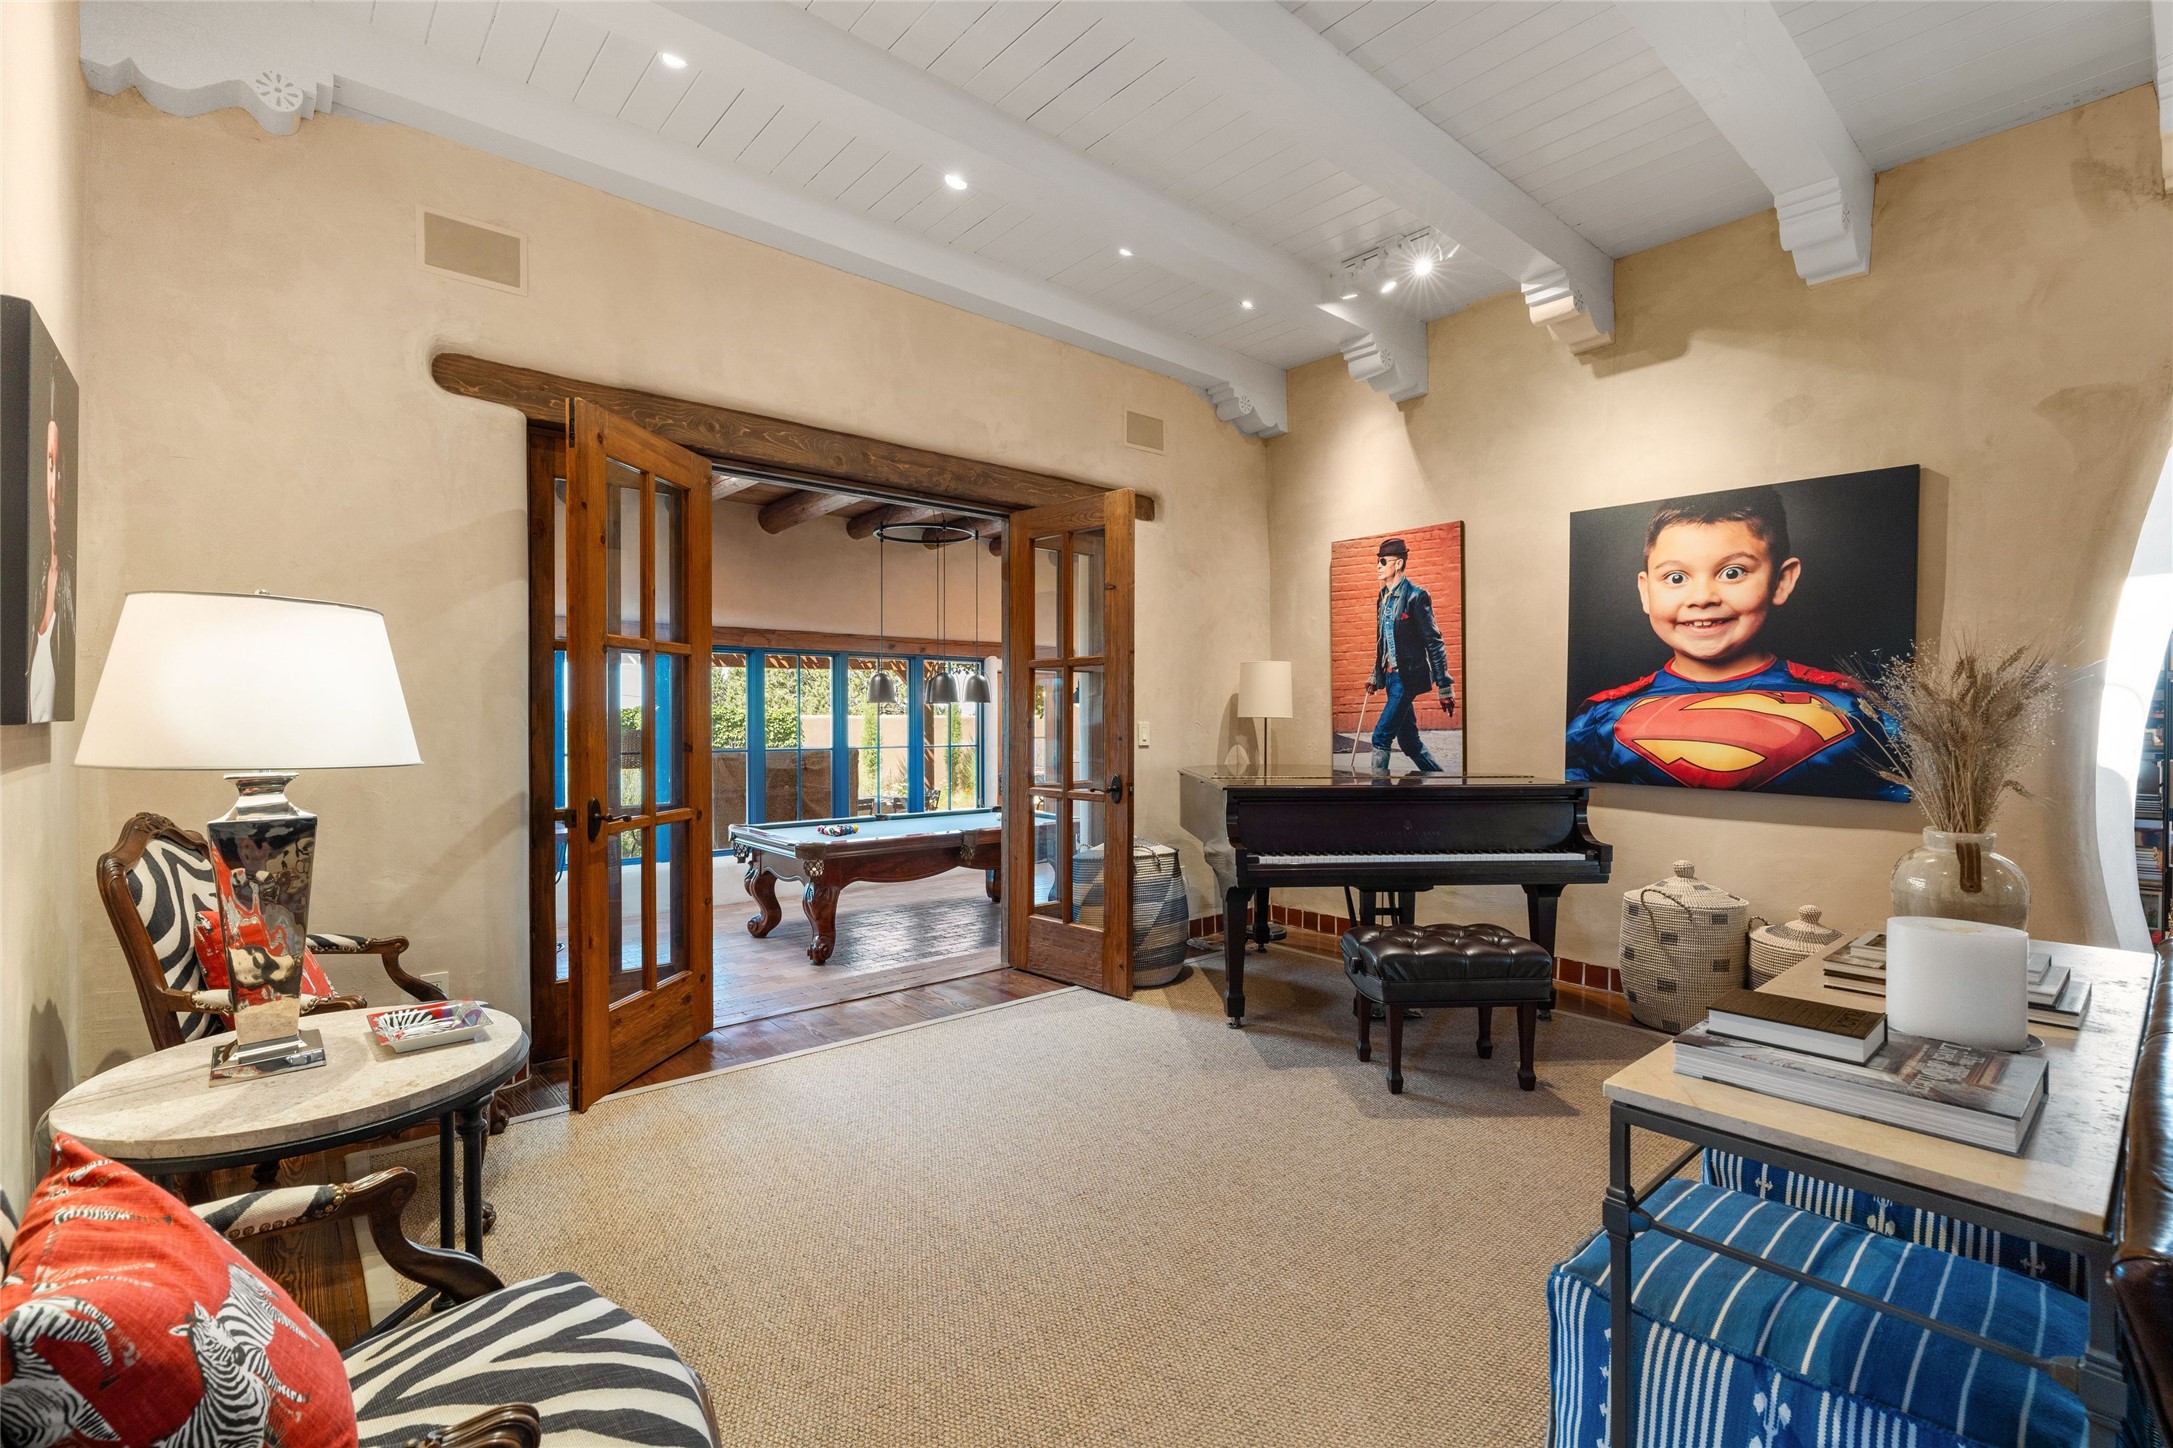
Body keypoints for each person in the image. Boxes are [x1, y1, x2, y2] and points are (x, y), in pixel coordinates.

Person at [1565, 486, 1904, 799]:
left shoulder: (1857, 708)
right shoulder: (1599, 718)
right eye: (1676, 577)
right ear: (1646, 591)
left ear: (1781, 581)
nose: (1702, 598)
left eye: (1732, 572)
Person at [1365, 537, 1454, 776]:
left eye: (1383, 561)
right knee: (1409, 742)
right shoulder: (1383, 597)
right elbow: (1383, 640)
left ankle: (1377, 792)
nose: (1378, 566)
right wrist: (1375, 673)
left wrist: (1444, 687)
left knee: (1381, 736)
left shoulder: (1416, 596)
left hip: (1406, 678)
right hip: (1390, 678)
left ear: (1398, 563)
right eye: (1377, 561)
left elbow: (1434, 642)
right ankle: (1441, 781)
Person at [26, 415, 61, 723]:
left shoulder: (67, 583)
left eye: (60, 466)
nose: (55, 482)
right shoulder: (32, 577)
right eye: (50, 463)